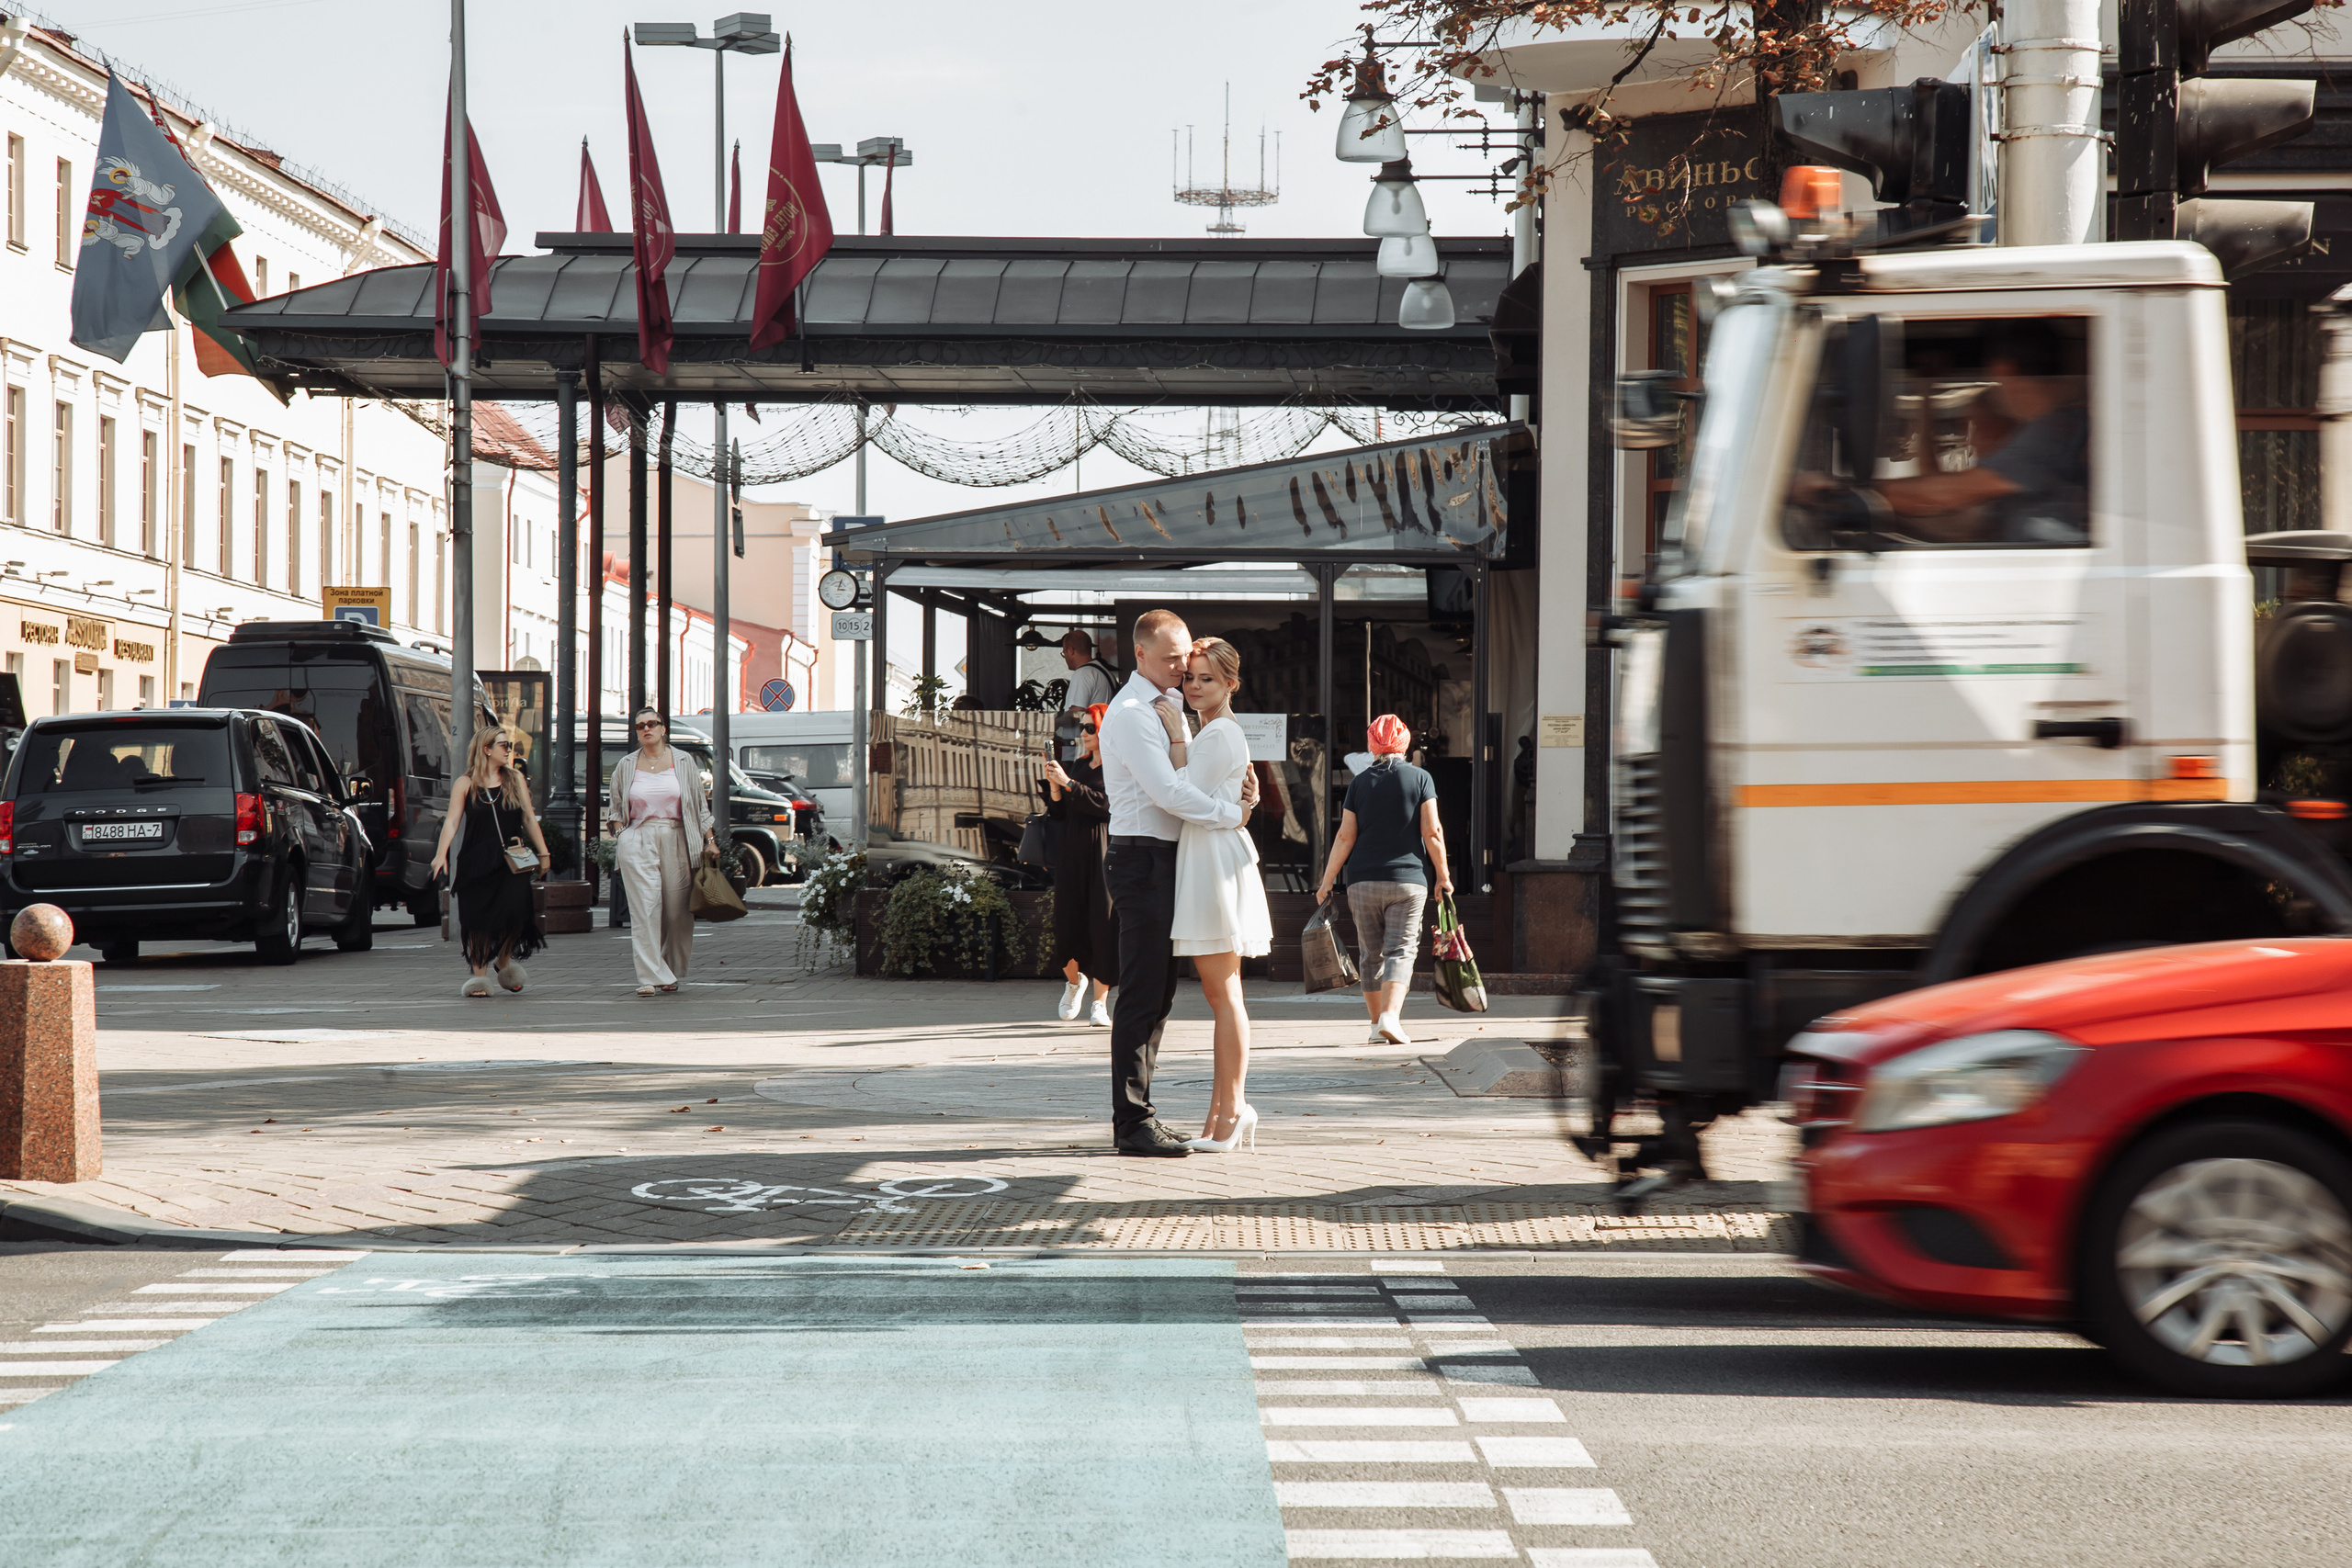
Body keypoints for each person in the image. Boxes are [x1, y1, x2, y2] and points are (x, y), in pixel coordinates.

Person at [1095, 608, 1259, 1157]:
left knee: (1159, 995)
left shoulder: (1172, 708)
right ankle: (1133, 1122)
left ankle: (1148, 1116)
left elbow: (1199, 775)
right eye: (1172, 661)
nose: (1182, 669)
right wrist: (1229, 813)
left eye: (1187, 661)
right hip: (1143, 858)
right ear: (1138, 653)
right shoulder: (1135, 712)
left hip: (1171, 858)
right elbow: (1168, 791)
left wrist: (1235, 798)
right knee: (1143, 993)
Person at [1159, 637, 1272, 1153]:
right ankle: (1220, 1115)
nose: (1195, 686)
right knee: (1221, 994)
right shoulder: (1217, 733)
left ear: (1230, 683)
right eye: (1191, 677)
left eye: (1207, 678)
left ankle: (1233, 1113)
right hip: (1211, 856)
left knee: (1223, 994)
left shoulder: (1219, 733)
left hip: (1214, 860)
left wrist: (1175, 734)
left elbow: (1179, 792)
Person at [1316, 714, 1453, 1046]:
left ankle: (1377, 1025)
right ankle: (1390, 1018)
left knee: (1370, 954)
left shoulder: (1359, 783)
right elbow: (1432, 831)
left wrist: (1327, 880)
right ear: (1405, 745)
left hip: (1362, 881)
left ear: (1372, 745)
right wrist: (1443, 877)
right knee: (1400, 950)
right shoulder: (1421, 778)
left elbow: (1345, 837)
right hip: (1408, 881)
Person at [428, 724, 551, 998]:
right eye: (504, 745)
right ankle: (480, 978)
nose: (510, 750)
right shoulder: (466, 782)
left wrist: (543, 853)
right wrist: (440, 854)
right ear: (486, 749)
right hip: (476, 863)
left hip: (511, 861)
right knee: (478, 920)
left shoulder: (514, 778)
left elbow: (529, 818)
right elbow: (451, 821)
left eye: (510, 746)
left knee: (517, 915)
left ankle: (504, 963)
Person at [607, 706, 719, 998]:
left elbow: (699, 806)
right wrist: (623, 836)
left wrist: (710, 840)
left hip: (677, 836)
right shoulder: (626, 765)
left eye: (652, 724)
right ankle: (648, 976)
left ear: (663, 728)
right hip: (638, 838)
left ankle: (666, 970)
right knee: (645, 910)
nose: (646, 729)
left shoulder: (683, 761)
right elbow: (616, 809)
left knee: (677, 913)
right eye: (640, 726)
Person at [1039, 701, 1114, 1029]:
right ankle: (1074, 983)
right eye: (1081, 728)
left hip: (1102, 852)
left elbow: (1107, 806)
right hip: (1072, 852)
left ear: (1105, 730)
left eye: (1090, 728)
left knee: (1104, 925)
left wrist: (1069, 784)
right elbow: (1060, 815)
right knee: (1067, 923)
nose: (1083, 734)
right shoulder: (1081, 766)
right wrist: (1056, 789)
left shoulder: (1118, 767)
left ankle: (1100, 1003)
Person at [1058, 629, 1118, 717]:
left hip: (1083, 731)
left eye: (1064, 653)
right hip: (1101, 729)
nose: (1065, 657)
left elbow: (1076, 713)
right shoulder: (1106, 673)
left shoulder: (1082, 674)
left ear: (1070, 651)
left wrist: (1054, 723)